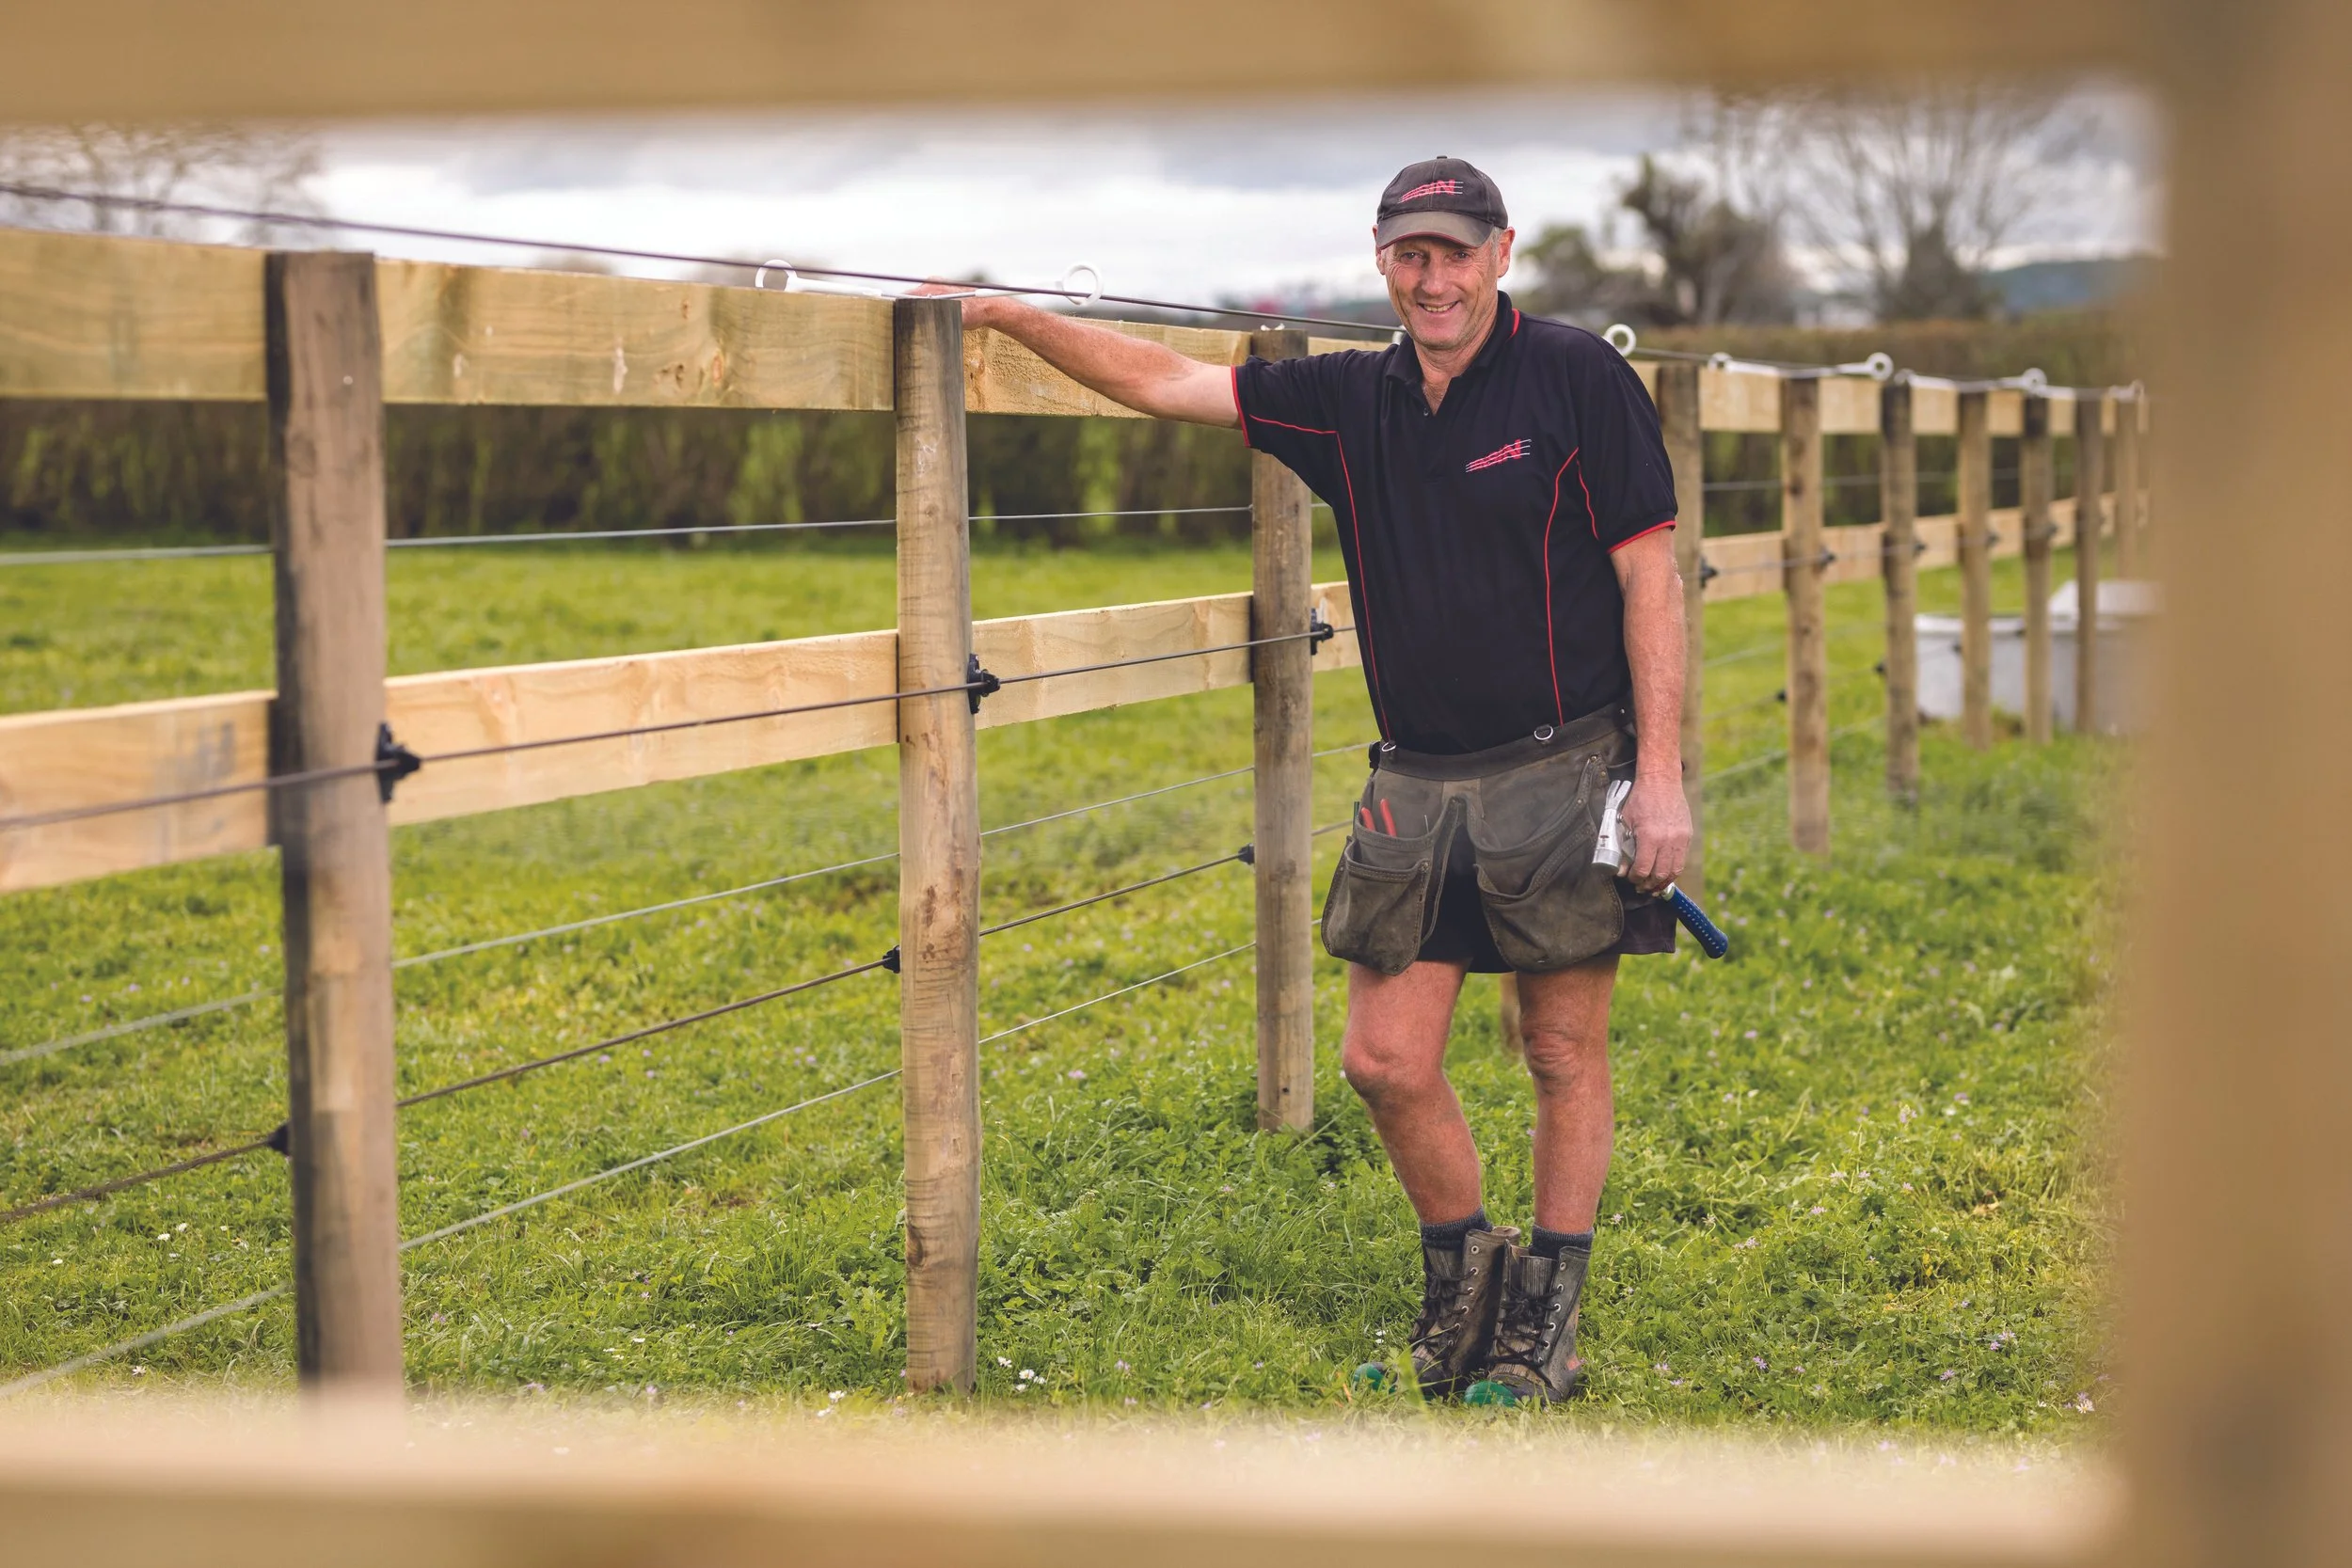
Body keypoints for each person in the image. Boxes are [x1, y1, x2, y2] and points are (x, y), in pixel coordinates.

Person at [934, 156, 1690, 1404]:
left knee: (1561, 1043)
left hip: (1568, 765)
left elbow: (1649, 578)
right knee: (1384, 1059)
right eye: (1411, 252)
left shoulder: (1575, 378)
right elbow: (1172, 381)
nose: (1432, 275)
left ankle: (1543, 1318)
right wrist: (1015, 313)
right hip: (1419, 781)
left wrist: (1657, 776)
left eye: (1455, 250)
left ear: (1503, 252)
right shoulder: (1348, 399)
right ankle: (1468, 1279)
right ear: (1382, 258)